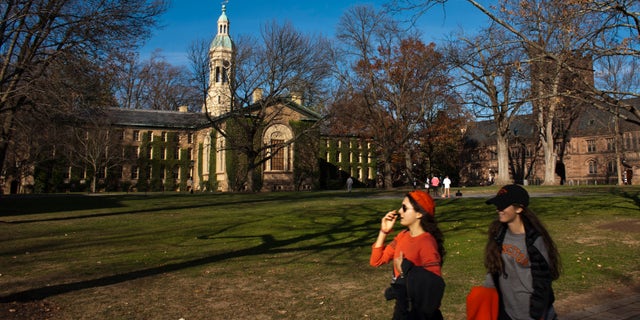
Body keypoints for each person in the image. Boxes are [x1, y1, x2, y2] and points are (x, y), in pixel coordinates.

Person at [481, 184, 561, 320]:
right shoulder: (499, 234)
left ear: (519, 208)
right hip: (508, 311)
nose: (498, 209)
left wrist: (537, 313)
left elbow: (543, 281)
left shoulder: (535, 241)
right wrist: (486, 291)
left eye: (503, 206)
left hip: (533, 313)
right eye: (498, 205)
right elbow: (494, 268)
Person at [370, 190, 446, 320]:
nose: (399, 211)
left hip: (417, 312)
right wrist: (384, 231)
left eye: (404, 208)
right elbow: (376, 260)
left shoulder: (426, 242)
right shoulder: (402, 236)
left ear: (419, 213)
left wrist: (406, 268)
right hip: (403, 306)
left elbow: (434, 286)